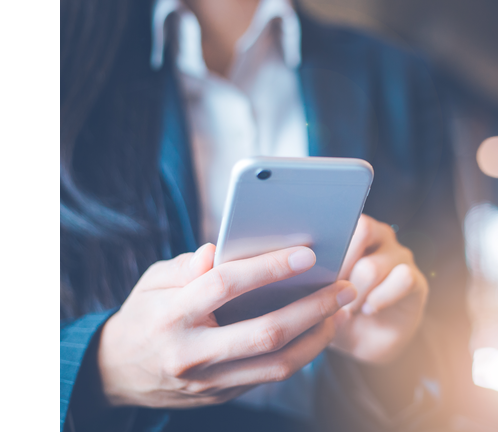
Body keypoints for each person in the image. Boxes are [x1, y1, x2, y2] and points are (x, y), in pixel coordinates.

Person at [60, 0, 471, 431]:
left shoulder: (399, 79)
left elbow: (452, 333)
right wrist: (104, 367)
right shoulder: (64, 52)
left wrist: (398, 353)